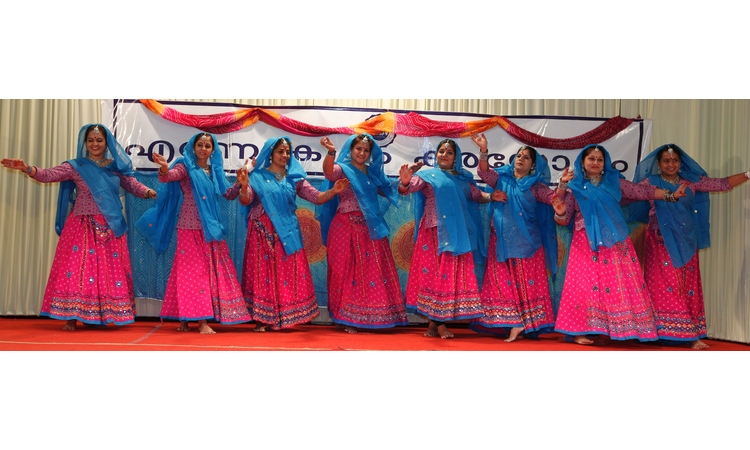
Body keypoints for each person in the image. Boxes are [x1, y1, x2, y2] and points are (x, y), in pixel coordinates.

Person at [1, 124, 156, 330]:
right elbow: (48, 174)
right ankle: (72, 316)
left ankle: (101, 315)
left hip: (110, 225)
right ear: (85, 143)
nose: (95, 144)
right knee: (77, 269)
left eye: (99, 140)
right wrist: (28, 168)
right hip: (82, 225)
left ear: (106, 143)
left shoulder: (114, 167)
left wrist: (148, 192)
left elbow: (132, 184)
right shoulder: (76, 166)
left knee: (106, 272)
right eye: (90, 140)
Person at [554, 144, 688, 345]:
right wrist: (561, 205)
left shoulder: (614, 182)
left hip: (615, 240)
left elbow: (642, 192)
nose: (595, 162)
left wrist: (671, 195)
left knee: (617, 284)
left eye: (600, 159)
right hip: (585, 241)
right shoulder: (574, 187)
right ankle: (581, 331)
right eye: (591, 158)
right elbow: (563, 219)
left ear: (605, 163)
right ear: (583, 161)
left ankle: (620, 328)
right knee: (584, 286)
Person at [628, 144, 750, 349]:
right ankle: (661, 331)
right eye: (666, 160)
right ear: (658, 163)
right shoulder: (650, 182)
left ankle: (687, 332)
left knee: (685, 286)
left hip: (686, 241)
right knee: (662, 285)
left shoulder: (690, 182)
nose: (671, 164)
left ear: (680, 162)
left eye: (675, 160)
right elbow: (630, 194)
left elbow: (721, 184)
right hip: (659, 240)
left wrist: (747, 174)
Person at [136, 132, 251, 334]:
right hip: (189, 226)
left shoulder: (215, 171)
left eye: (207, 146)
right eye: (200, 145)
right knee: (192, 273)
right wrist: (164, 168)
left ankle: (184, 317)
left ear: (213, 150)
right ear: (193, 146)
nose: (203, 149)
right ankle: (201, 321)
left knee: (196, 273)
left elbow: (228, 194)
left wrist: (241, 183)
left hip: (211, 228)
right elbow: (168, 177)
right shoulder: (185, 166)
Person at [237, 136, 350, 331]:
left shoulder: (294, 178)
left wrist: (333, 192)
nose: (285, 155)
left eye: (288, 152)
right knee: (262, 274)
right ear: (270, 154)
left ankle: (285, 316)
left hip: (287, 232)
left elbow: (316, 197)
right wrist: (245, 186)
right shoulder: (256, 176)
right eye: (280, 151)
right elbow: (245, 201)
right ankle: (263, 318)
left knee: (285, 274)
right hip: (261, 230)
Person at [468, 133, 573, 342]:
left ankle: (525, 323)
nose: (521, 159)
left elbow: (553, 199)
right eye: (519, 155)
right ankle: (513, 322)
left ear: (533, 165)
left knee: (526, 284)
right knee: (500, 282)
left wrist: (561, 186)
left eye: (526, 157)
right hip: (500, 241)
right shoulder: (501, 178)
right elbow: (484, 172)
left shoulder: (536, 187)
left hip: (527, 244)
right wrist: (484, 151)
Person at [397, 138, 490, 339]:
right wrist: (404, 182)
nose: (444, 155)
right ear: (436, 155)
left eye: (449, 152)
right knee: (433, 276)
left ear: (456, 157)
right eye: (441, 151)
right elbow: (408, 188)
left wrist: (493, 197)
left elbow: (476, 195)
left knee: (446, 276)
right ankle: (439, 325)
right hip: (433, 232)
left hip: (455, 233)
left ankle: (434, 323)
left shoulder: (462, 179)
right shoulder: (426, 176)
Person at [317, 133, 409, 333]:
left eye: (366, 150)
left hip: (371, 228)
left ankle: (370, 316)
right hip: (345, 226)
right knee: (344, 270)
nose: (362, 153)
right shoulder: (342, 169)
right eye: (358, 148)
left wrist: (404, 182)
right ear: (351, 150)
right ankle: (346, 317)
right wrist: (331, 152)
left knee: (371, 271)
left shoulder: (372, 173)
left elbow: (389, 190)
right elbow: (329, 173)